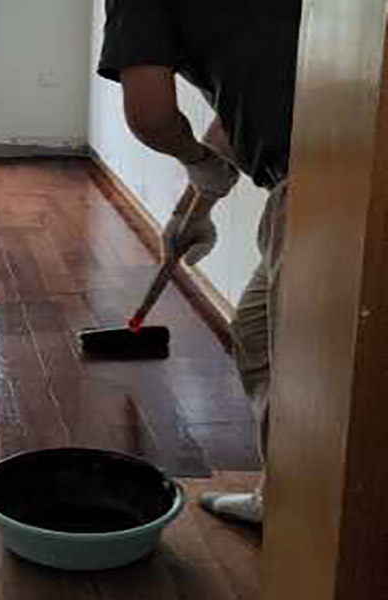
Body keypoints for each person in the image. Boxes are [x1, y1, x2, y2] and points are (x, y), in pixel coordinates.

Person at [98, 0, 303, 524]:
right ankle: (283, 498)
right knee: (257, 330)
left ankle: (311, 528)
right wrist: (193, 210)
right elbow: (245, 105)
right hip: (316, 172)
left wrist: (194, 161)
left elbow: (150, 116)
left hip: (327, 178)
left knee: (307, 373)